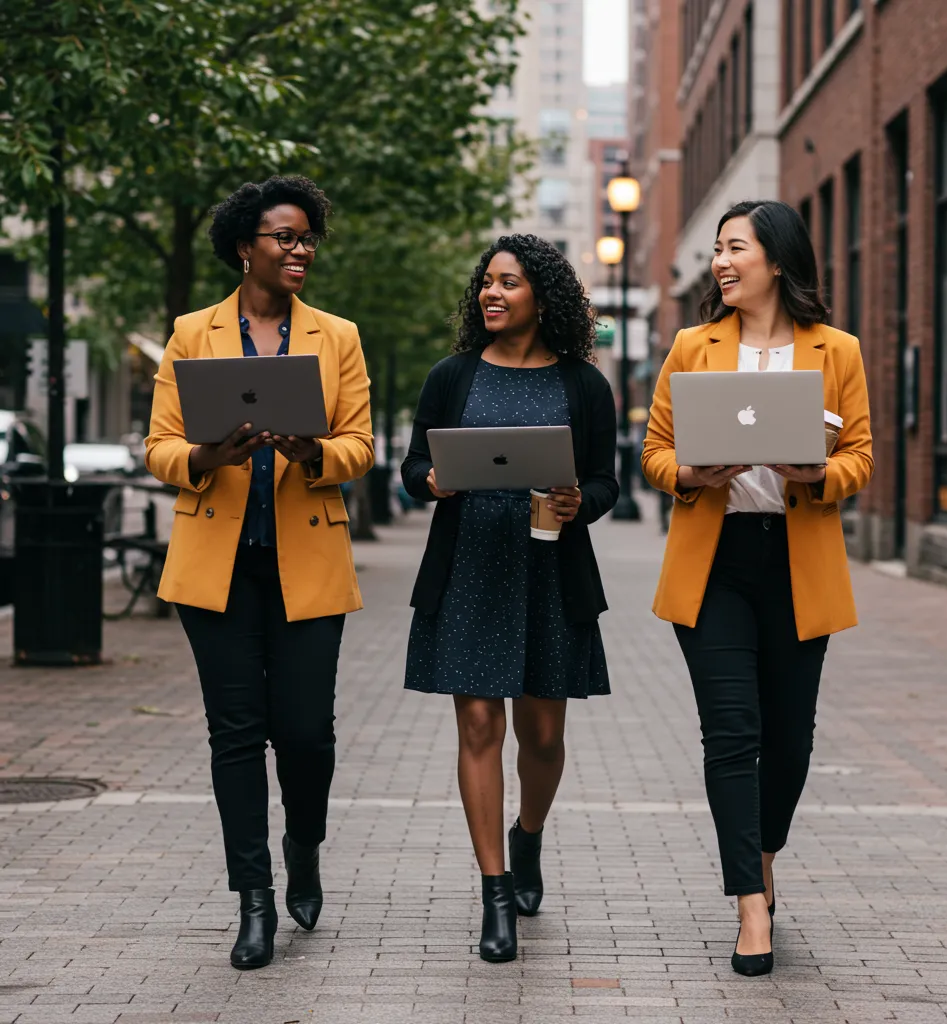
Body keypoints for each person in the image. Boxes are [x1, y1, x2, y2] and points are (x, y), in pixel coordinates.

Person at [145, 176, 374, 970]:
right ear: (246, 246)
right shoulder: (191, 333)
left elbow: (360, 445)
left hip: (306, 558)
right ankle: (255, 899)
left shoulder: (337, 336)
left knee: (307, 733)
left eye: (309, 237)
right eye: (285, 237)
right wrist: (207, 456)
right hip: (218, 567)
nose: (300, 249)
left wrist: (312, 449)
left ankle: (303, 845)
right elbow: (160, 447)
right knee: (236, 735)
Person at [641, 200, 872, 977]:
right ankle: (749, 904)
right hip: (715, 564)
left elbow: (862, 458)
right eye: (716, 250)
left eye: (735, 247)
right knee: (732, 732)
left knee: (790, 741)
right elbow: (655, 451)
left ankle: (764, 853)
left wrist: (818, 473)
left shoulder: (835, 350)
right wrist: (691, 475)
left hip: (798, 563)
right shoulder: (691, 346)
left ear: (776, 258)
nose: (721, 262)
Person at [402, 234, 618, 962]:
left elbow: (606, 482)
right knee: (478, 729)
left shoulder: (583, 384)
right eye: (487, 283)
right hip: (468, 567)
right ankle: (495, 892)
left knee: (545, 737)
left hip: (548, 568)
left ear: (542, 296)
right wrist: (433, 482)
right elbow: (414, 464)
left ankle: (528, 838)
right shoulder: (451, 376)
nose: (492, 294)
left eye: (509, 283)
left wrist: (577, 498)